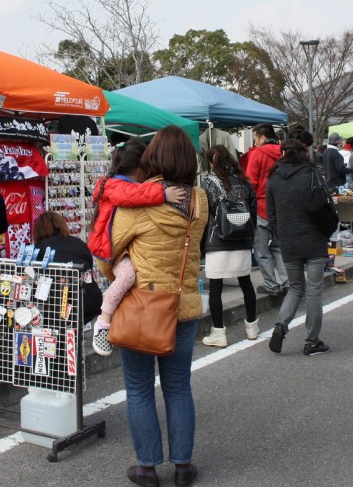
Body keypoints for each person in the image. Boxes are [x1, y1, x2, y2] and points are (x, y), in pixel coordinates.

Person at [102, 125, 208, 487]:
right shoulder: (199, 200)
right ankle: (183, 466)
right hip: (185, 303)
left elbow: (107, 253)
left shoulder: (138, 201)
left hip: (144, 306)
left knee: (139, 388)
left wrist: (124, 266)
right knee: (179, 386)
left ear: (153, 159)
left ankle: (147, 467)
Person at [87, 140, 185, 356]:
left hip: (111, 245)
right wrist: (163, 194)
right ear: (141, 169)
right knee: (127, 277)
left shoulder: (113, 182)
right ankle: (103, 321)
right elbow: (134, 195)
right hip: (107, 249)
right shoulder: (118, 186)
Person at [266, 138, 334, 356]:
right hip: (314, 239)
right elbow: (326, 202)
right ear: (303, 152)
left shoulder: (274, 179)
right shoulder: (312, 174)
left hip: (288, 241)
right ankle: (312, 341)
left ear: (282, 153)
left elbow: (271, 214)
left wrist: (281, 233)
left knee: (295, 287)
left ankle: (280, 325)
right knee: (314, 289)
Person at [200, 145, 258, 347]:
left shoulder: (208, 182)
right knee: (246, 283)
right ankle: (252, 327)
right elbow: (253, 211)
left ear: (211, 162)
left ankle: (219, 333)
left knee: (216, 289)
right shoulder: (244, 182)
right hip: (242, 240)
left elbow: (204, 214)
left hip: (217, 240)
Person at [32, 210, 102, 324]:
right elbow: (88, 267)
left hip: (60, 310)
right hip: (91, 303)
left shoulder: (37, 250)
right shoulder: (79, 243)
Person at [244, 124, 288, 297]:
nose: (254, 142)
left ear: (262, 138)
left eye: (255, 138)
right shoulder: (285, 152)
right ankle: (287, 282)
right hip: (282, 207)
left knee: (262, 250)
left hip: (262, 207)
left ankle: (271, 285)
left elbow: (251, 182)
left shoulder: (258, 154)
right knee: (279, 248)